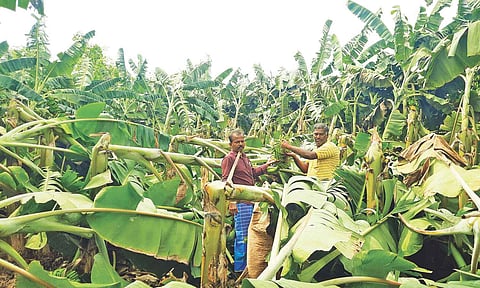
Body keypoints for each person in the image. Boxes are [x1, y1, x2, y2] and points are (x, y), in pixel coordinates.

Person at [221, 128, 275, 274]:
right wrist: (231, 201)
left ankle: (250, 268)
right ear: (230, 144)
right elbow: (226, 181)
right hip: (241, 203)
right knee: (243, 237)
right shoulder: (230, 158)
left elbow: (252, 173)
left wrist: (266, 166)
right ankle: (239, 270)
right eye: (237, 142)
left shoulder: (244, 157)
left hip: (251, 202)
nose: (240, 144)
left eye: (242, 141)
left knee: (252, 236)